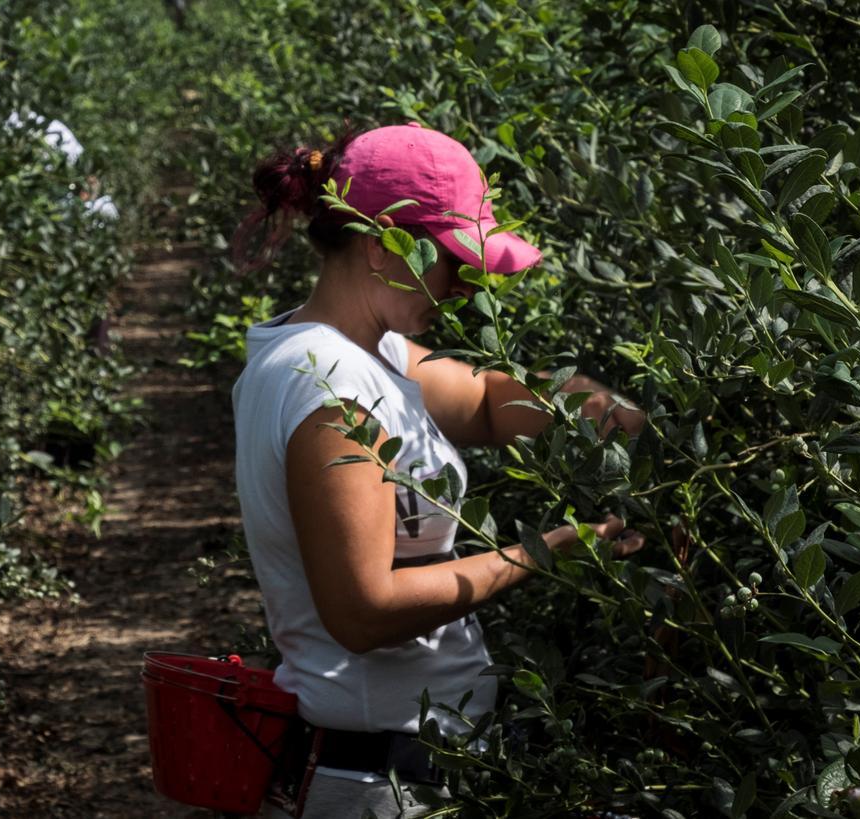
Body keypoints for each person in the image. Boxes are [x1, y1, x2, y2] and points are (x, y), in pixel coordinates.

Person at [230, 123, 648, 819]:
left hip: (398, 766)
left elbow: (486, 401)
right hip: (373, 781)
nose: (463, 285)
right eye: (452, 261)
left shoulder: (367, 352)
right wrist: (546, 551)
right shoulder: (329, 383)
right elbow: (364, 611)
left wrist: (636, 422)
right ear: (380, 243)